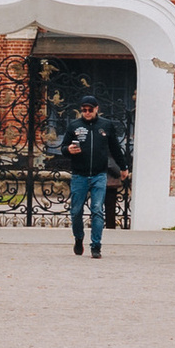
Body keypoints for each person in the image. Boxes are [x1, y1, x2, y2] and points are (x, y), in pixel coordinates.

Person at [61, 98, 127, 258]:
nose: (87, 113)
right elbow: (63, 147)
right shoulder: (74, 126)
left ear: (97, 109)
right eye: (84, 110)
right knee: (76, 211)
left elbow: (115, 148)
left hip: (99, 175)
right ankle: (78, 238)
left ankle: (96, 246)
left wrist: (123, 167)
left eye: (90, 109)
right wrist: (68, 149)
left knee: (97, 210)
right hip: (79, 175)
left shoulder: (106, 125)